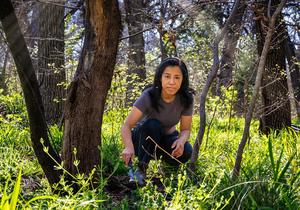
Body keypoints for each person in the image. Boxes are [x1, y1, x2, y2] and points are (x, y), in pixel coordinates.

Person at [121, 57, 194, 185]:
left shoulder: (186, 99)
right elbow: (127, 125)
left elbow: (186, 129)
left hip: (165, 141)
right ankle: (140, 170)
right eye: (167, 76)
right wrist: (128, 147)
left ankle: (167, 167)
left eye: (177, 77)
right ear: (160, 77)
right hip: (142, 141)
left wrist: (181, 141)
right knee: (153, 125)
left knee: (187, 149)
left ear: (183, 80)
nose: (172, 82)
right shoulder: (149, 95)